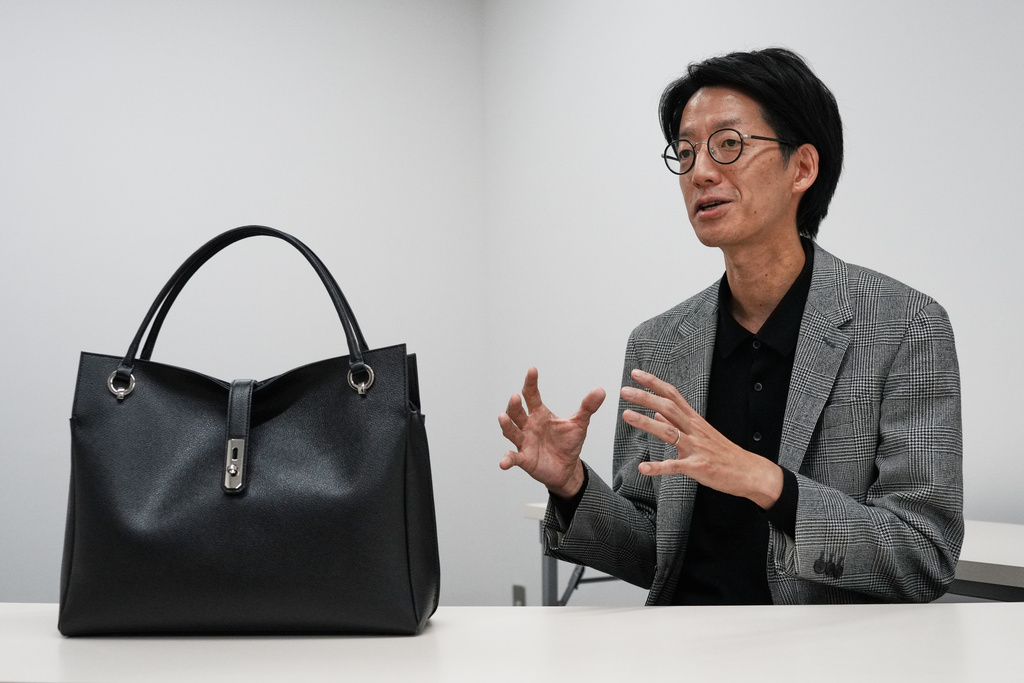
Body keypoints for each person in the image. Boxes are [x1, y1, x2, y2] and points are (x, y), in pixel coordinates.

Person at [498, 48, 963, 604]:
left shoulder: (904, 326)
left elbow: (923, 555)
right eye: (686, 151)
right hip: (687, 651)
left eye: (728, 144)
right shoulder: (660, 343)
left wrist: (765, 482)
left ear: (803, 168)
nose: (700, 172)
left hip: (826, 655)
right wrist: (572, 485)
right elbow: (653, 553)